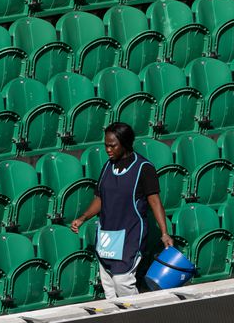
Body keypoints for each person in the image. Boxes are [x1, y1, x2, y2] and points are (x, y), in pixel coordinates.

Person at [69, 122, 173, 300]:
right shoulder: (108, 166)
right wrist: (83, 217)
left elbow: (155, 202)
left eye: (112, 145)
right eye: (106, 145)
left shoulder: (143, 168)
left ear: (125, 143)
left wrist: (164, 232)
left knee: (122, 280)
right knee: (109, 283)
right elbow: (99, 198)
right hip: (108, 233)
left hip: (130, 233)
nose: (108, 149)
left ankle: (138, 316)